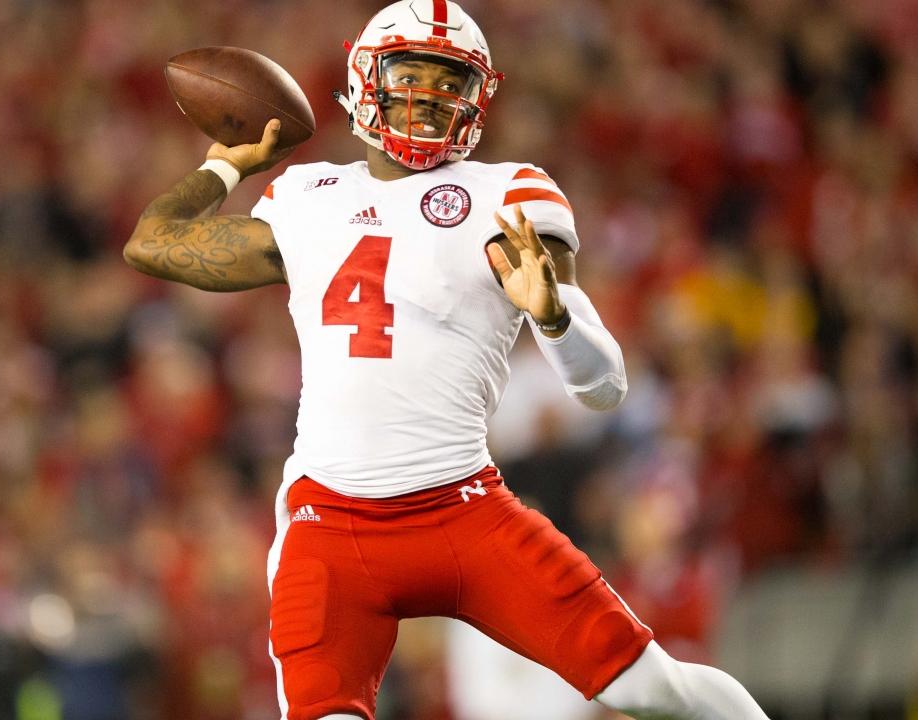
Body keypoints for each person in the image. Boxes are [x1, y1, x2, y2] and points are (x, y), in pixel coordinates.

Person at [124, 2, 770, 718]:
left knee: (651, 688)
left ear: (477, 96)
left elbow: (604, 388)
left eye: (449, 81)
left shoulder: (508, 195)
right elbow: (151, 244)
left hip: (461, 512)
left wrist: (553, 318)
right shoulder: (305, 196)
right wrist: (226, 163)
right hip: (329, 524)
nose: (430, 97)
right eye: (411, 75)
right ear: (366, 79)